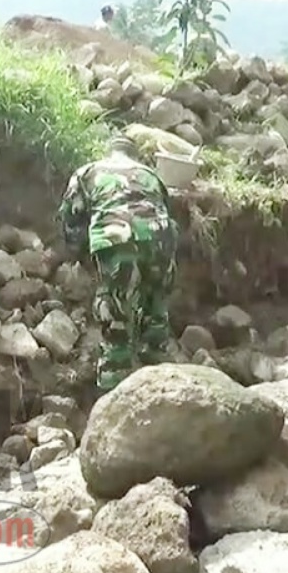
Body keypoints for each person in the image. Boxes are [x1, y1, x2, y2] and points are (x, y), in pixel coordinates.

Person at [59, 134, 180, 391]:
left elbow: (71, 217)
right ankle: (161, 380)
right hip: (161, 242)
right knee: (155, 308)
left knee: (115, 312)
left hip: (117, 239)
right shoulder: (151, 175)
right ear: (134, 155)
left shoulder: (87, 172)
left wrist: (77, 252)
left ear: (109, 152)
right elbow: (166, 211)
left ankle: (112, 386)